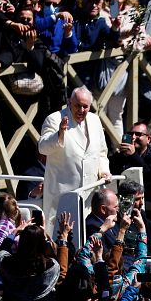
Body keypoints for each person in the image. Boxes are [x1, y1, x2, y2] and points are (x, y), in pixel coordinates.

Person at [38, 86, 110, 230]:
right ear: (70, 102)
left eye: (85, 107)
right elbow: (43, 147)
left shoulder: (95, 120)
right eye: (77, 106)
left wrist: (103, 170)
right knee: (61, 239)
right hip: (63, 194)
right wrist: (59, 134)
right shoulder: (54, 119)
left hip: (89, 193)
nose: (81, 110)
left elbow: (101, 152)